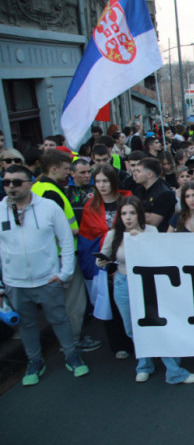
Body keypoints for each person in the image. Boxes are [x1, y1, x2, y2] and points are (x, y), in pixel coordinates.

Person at [0, 165, 90, 386]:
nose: (11, 187)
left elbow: (66, 241)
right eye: (6, 182)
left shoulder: (49, 208)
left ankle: (71, 355)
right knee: (27, 325)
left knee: (60, 319)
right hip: (15, 282)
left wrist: (65, 273)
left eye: (17, 182)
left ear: (30, 183)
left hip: (48, 279)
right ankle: (34, 361)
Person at [98, 197, 194, 384]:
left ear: (139, 214)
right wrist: (104, 262)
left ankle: (174, 370)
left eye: (132, 213)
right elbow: (102, 259)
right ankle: (144, 364)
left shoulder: (151, 231)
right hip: (122, 283)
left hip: (148, 284)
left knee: (156, 327)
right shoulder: (113, 235)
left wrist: (142, 241)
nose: (128, 218)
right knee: (132, 329)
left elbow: (160, 257)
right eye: (124, 214)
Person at [32, 150, 100, 353]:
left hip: (54, 253)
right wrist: (81, 231)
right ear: (53, 169)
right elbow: (54, 226)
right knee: (74, 302)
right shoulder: (51, 192)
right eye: (66, 169)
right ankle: (74, 341)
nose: (68, 172)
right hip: (64, 253)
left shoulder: (38, 187)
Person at [77, 165, 133, 360]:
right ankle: (119, 344)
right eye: (98, 181)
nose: (101, 185)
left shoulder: (127, 201)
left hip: (127, 258)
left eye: (105, 181)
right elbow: (86, 239)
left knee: (131, 303)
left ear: (113, 182)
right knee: (111, 304)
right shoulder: (90, 207)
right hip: (103, 262)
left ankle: (137, 341)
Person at [132, 157, 176, 232]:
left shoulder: (165, 194)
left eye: (138, 171)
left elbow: (152, 223)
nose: (135, 174)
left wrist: (136, 214)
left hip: (159, 237)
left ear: (149, 175)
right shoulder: (139, 190)